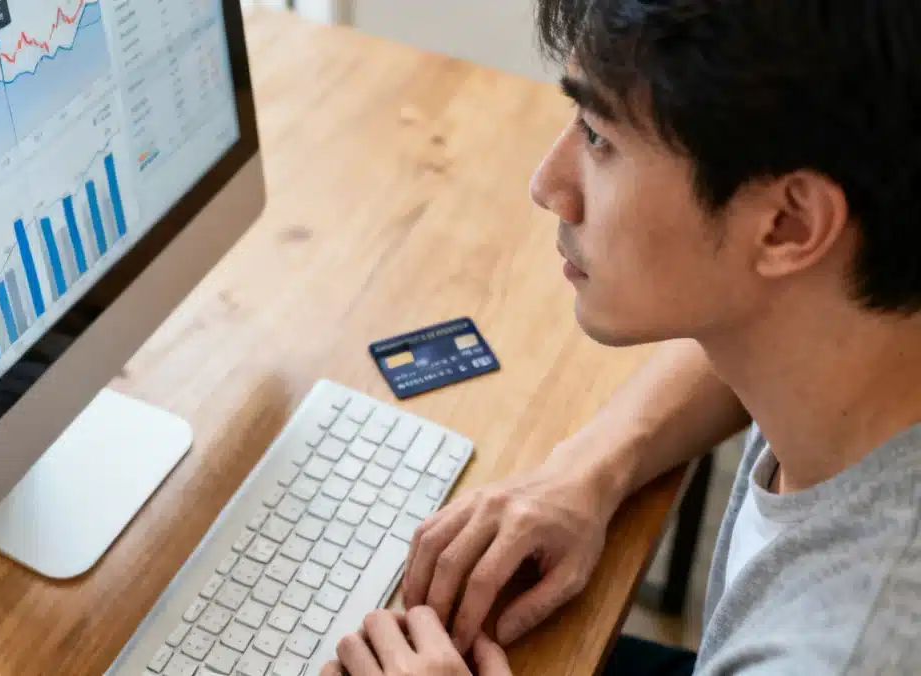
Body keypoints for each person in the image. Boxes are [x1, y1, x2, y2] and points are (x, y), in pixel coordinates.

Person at [321, 0, 921, 674]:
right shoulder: (853, 317)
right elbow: (750, 325)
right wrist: (587, 471)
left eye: (599, 138)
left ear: (787, 225)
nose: (549, 185)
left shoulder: (840, 648)